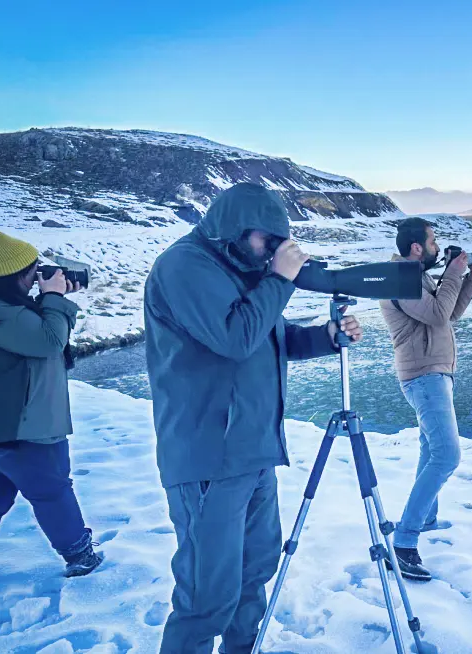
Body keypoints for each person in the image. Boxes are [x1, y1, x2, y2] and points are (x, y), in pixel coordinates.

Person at [143, 182, 363, 654]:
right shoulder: (185, 265)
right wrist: (280, 280)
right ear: (236, 229)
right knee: (207, 596)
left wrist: (326, 336)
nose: (275, 254)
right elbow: (236, 338)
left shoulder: (243, 267)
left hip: (254, 451)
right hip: (208, 457)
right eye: (270, 242)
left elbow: (270, 337)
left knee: (253, 575)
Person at [0, 227, 104, 579]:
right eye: (31, 271)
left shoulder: (0, 310)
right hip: (29, 427)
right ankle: (80, 555)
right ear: (9, 278)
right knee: (52, 491)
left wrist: (51, 299)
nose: (36, 276)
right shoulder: (0, 313)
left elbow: (33, 337)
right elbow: (50, 341)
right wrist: (53, 298)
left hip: (2, 425)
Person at [378, 217, 472, 582]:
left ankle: (424, 518)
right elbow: (440, 313)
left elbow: (447, 315)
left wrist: (469, 279)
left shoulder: (416, 277)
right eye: (433, 241)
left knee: (430, 450)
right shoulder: (401, 280)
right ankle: (404, 543)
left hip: (433, 371)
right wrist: (454, 273)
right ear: (416, 248)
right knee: (447, 454)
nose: (437, 247)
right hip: (424, 375)